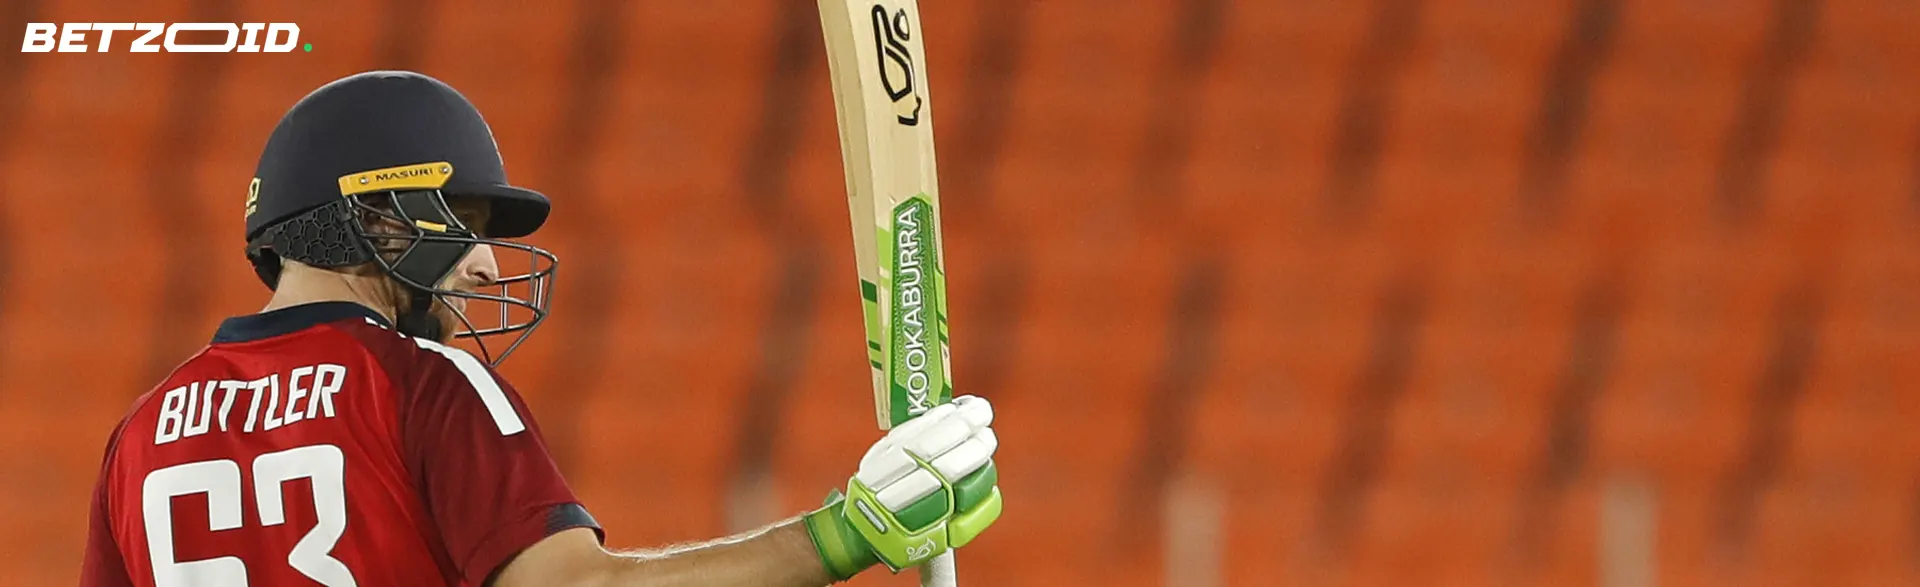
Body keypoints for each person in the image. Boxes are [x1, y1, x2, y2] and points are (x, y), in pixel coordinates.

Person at [79, 70, 1001, 587]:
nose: (482, 262)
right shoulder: (423, 385)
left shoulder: (138, 435)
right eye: (466, 224)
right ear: (382, 217)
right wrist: (842, 536)